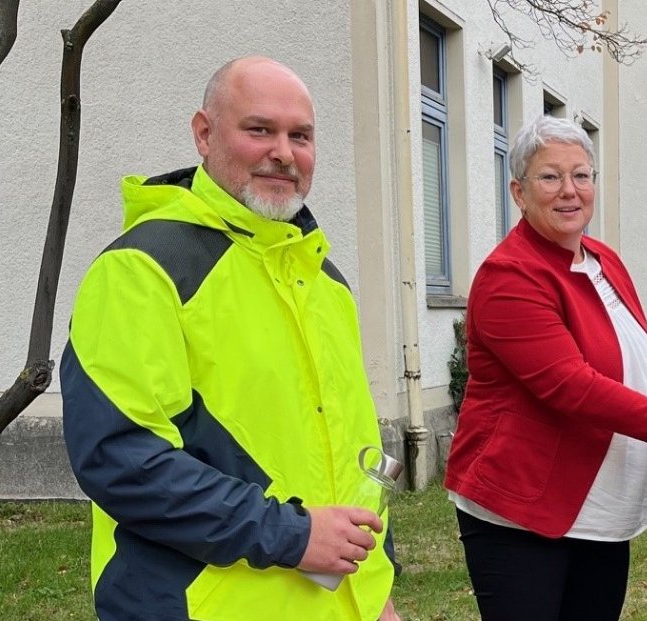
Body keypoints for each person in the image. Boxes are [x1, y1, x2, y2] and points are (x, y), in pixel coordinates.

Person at [61, 57, 400, 621]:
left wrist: (373, 592)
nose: (284, 153)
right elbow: (121, 459)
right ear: (204, 134)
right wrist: (293, 534)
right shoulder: (142, 270)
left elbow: (351, 460)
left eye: (301, 136)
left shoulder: (326, 282)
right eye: (259, 129)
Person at [445, 115, 647, 621]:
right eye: (550, 177)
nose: (569, 191)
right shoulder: (509, 276)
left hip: (599, 509)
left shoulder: (602, 260)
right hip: (524, 510)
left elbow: (628, 360)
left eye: (581, 175)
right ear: (519, 192)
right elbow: (572, 386)